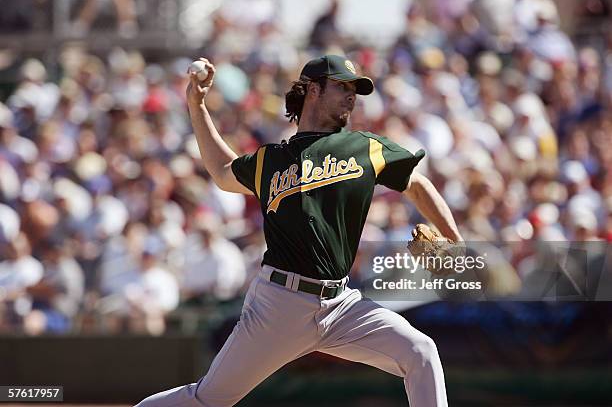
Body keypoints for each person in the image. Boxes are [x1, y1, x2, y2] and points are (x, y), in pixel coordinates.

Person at [137, 54, 463, 407]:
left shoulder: (366, 147)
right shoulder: (271, 159)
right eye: (341, 86)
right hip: (279, 306)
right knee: (209, 399)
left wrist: (455, 239)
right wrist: (196, 104)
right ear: (311, 90)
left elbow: (416, 184)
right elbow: (223, 170)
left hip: (341, 304)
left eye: (355, 89)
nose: (351, 95)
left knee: (420, 351)